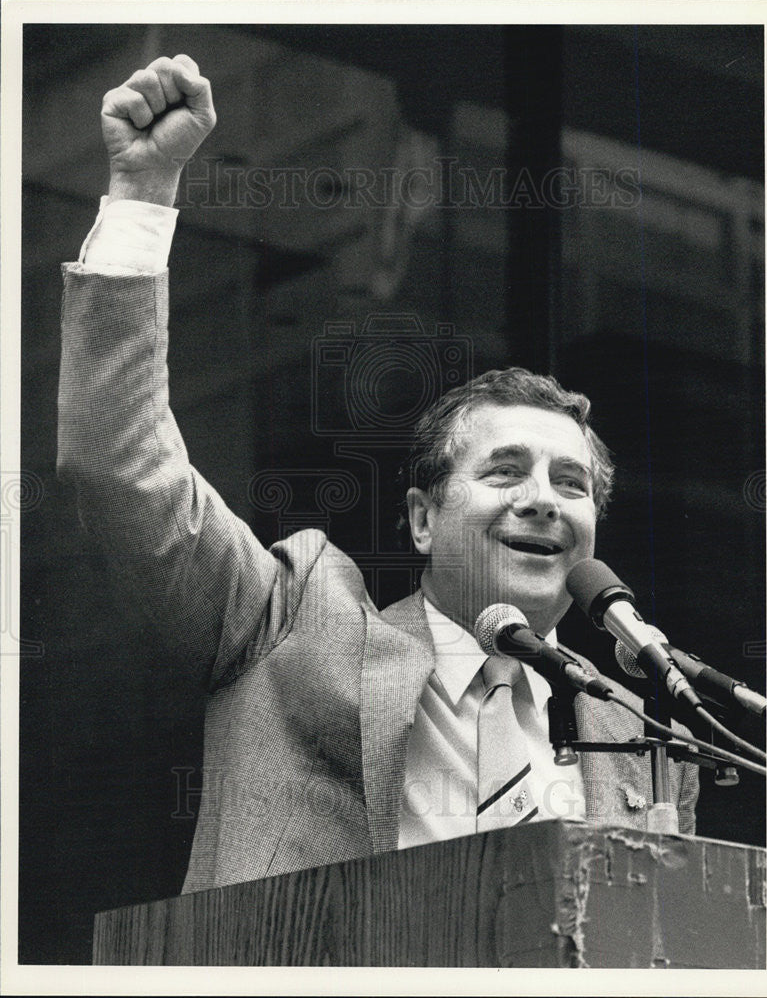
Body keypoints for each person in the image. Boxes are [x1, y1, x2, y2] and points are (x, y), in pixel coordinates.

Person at [58, 55, 698, 893]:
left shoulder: (637, 730)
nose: (543, 499)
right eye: (505, 471)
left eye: (571, 484)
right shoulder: (290, 623)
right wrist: (143, 193)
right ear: (423, 518)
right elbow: (118, 464)